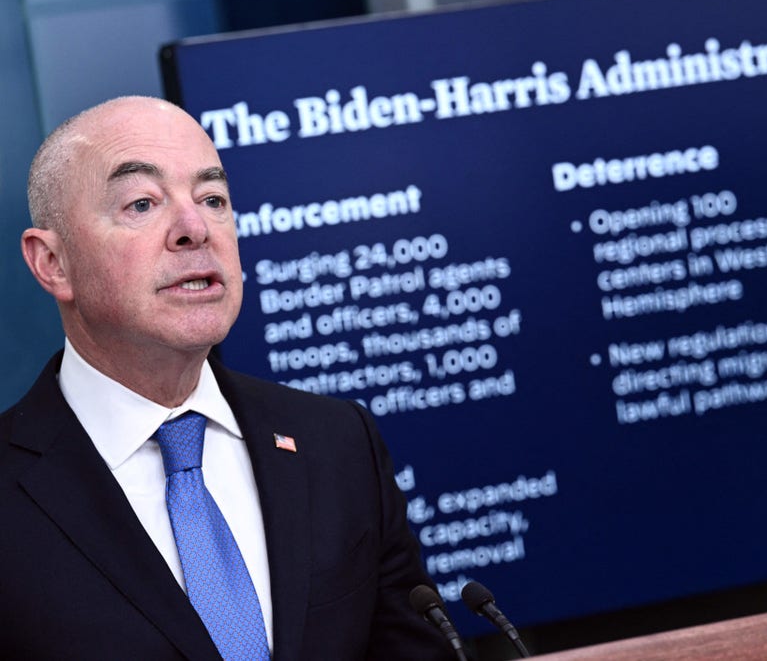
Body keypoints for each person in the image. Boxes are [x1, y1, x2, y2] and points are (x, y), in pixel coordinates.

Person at [0, 96, 453, 660]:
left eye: (213, 199)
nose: (194, 228)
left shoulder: (337, 442)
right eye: (142, 203)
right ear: (53, 263)